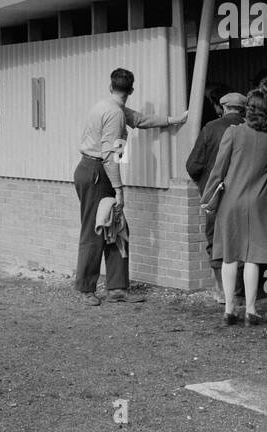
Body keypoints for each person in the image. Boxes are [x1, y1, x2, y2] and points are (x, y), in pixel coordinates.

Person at [75, 68, 187, 306]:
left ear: (111, 87)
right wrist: (119, 190)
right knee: (95, 230)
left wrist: (173, 120)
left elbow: (140, 120)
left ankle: (117, 288)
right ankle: (86, 288)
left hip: (93, 170)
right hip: (97, 172)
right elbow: (108, 156)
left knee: (117, 228)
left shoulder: (110, 107)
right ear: (132, 90)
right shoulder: (115, 114)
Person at [203, 89, 267, 326]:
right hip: (258, 202)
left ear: (248, 110)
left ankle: (229, 309)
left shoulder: (233, 133)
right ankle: (250, 310)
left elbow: (219, 169)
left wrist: (208, 198)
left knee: (229, 256)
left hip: (231, 201)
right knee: (252, 258)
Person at [186, 91, 246, 293]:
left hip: (216, 195)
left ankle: (222, 290)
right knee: (242, 241)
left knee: (215, 241)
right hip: (244, 194)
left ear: (223, 108)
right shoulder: (251, 128)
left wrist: (203, 184)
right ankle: (241, 289)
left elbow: (193, 165)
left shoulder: (211, 128)